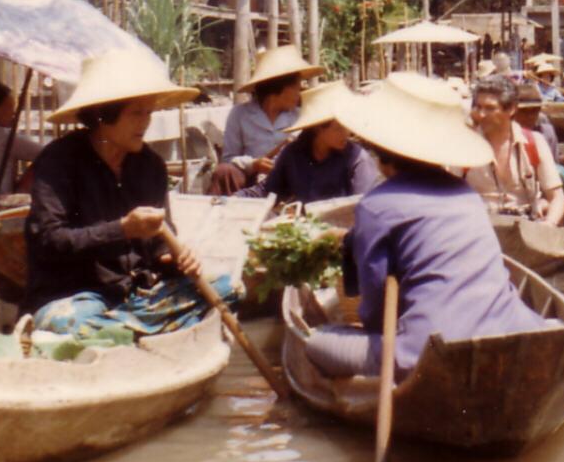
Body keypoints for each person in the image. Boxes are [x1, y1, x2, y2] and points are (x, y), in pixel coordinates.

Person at [302, 73, 552, 379]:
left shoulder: (375, 206)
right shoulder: (466, 195)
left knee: (316, 344)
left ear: (381, 155)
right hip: (508, 335)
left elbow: (377, 307)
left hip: (426, 352)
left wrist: (371, 329)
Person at [24, 49, 236, 336]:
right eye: (136, 113)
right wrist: (122, 229)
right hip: (78, 297)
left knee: (229, 287)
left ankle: (118, 332)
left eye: (148, 112)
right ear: (102, 115)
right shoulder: (58, 162)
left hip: (137, 295)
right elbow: (48, 243)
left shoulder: (150, 166)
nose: (145, 122)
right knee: (62, 323)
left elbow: (160, 243)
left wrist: (178, 256)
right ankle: (136, 331)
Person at [240, 81, 381, 206]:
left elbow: (365, 208)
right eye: (338, 129)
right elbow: (267, 191)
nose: (347, 134)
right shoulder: (292, 154)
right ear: (318, 128)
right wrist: (234, 199)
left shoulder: (357, 159)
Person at [210, 45, 322, 194]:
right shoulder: (240, 114)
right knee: (224, 171)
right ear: (278, 88)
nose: (299, 93)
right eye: (296, 87)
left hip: (288, 182)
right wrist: (253, 165)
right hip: (249, 181)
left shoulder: (301, 116)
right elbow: (228, 159)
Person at [466, 77, 564, 226]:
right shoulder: (464, 144)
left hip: (525, 228)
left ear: (511, 109)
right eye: (479, 107)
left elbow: (557, 198)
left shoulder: (535, 142)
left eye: (490, 108)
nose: (481, 114)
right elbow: (444, 197)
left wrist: (549, 223)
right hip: (477, 227)